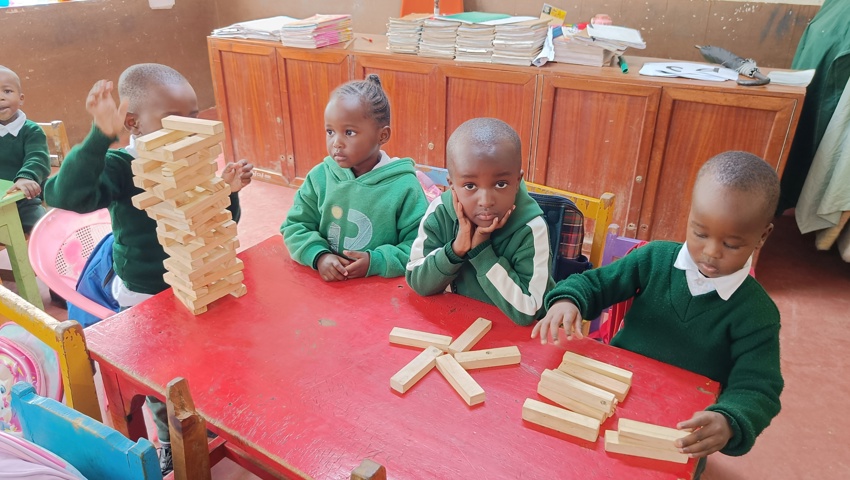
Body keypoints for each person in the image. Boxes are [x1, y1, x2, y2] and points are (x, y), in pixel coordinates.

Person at [43, 63, 253, 475]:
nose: (191, 128)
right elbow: (67, 194)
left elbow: (212, 223)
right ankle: (174, 444)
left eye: (193, 117)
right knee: (164, 383)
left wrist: (227, 194)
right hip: (146, 297)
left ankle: (214, 423)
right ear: (133, 122)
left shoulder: (189, 160)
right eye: (176, 120)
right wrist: (100, 137)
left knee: (211, 363)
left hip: (199, 285)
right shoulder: (123, 166)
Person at [533, 151, 783, 476]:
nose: (710, 252)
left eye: (732, 244)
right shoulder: (653, 259)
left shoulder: (758, 313)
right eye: (700, 233)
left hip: (680, 425)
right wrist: (569, 300)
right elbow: (596, 284)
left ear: (762, 236)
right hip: (609, 394)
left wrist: (729, 420)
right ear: (690, 215)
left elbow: (759, 386)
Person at [406, 118, 553, 326]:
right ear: (452, 185)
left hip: (513, 343)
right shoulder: (440, 211)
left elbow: (531, 309)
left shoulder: (531, 227)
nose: (485, 201)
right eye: (469, 186)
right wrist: (456, 250)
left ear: (517, 181)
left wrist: (482, 251)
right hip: (451, 328)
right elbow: (416, 280)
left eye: (501, 184)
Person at [281, 74, 427, 280]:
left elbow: (420, 245)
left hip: (383, 295)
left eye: (349, 132)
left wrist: (377, 261)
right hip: (327, 293)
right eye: (330, 131)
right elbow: (294, 226)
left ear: (382, 135)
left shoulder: (404, 186)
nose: (336, 143)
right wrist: (319, 256)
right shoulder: (319, 177)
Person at [0, 65, 50, 233]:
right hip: (1, 201)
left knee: (41, 226)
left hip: (24, 198)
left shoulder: (31, 131)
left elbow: (37, 159)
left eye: (7, 91)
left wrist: (25, 178)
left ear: (21, 98)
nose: (1, 98)